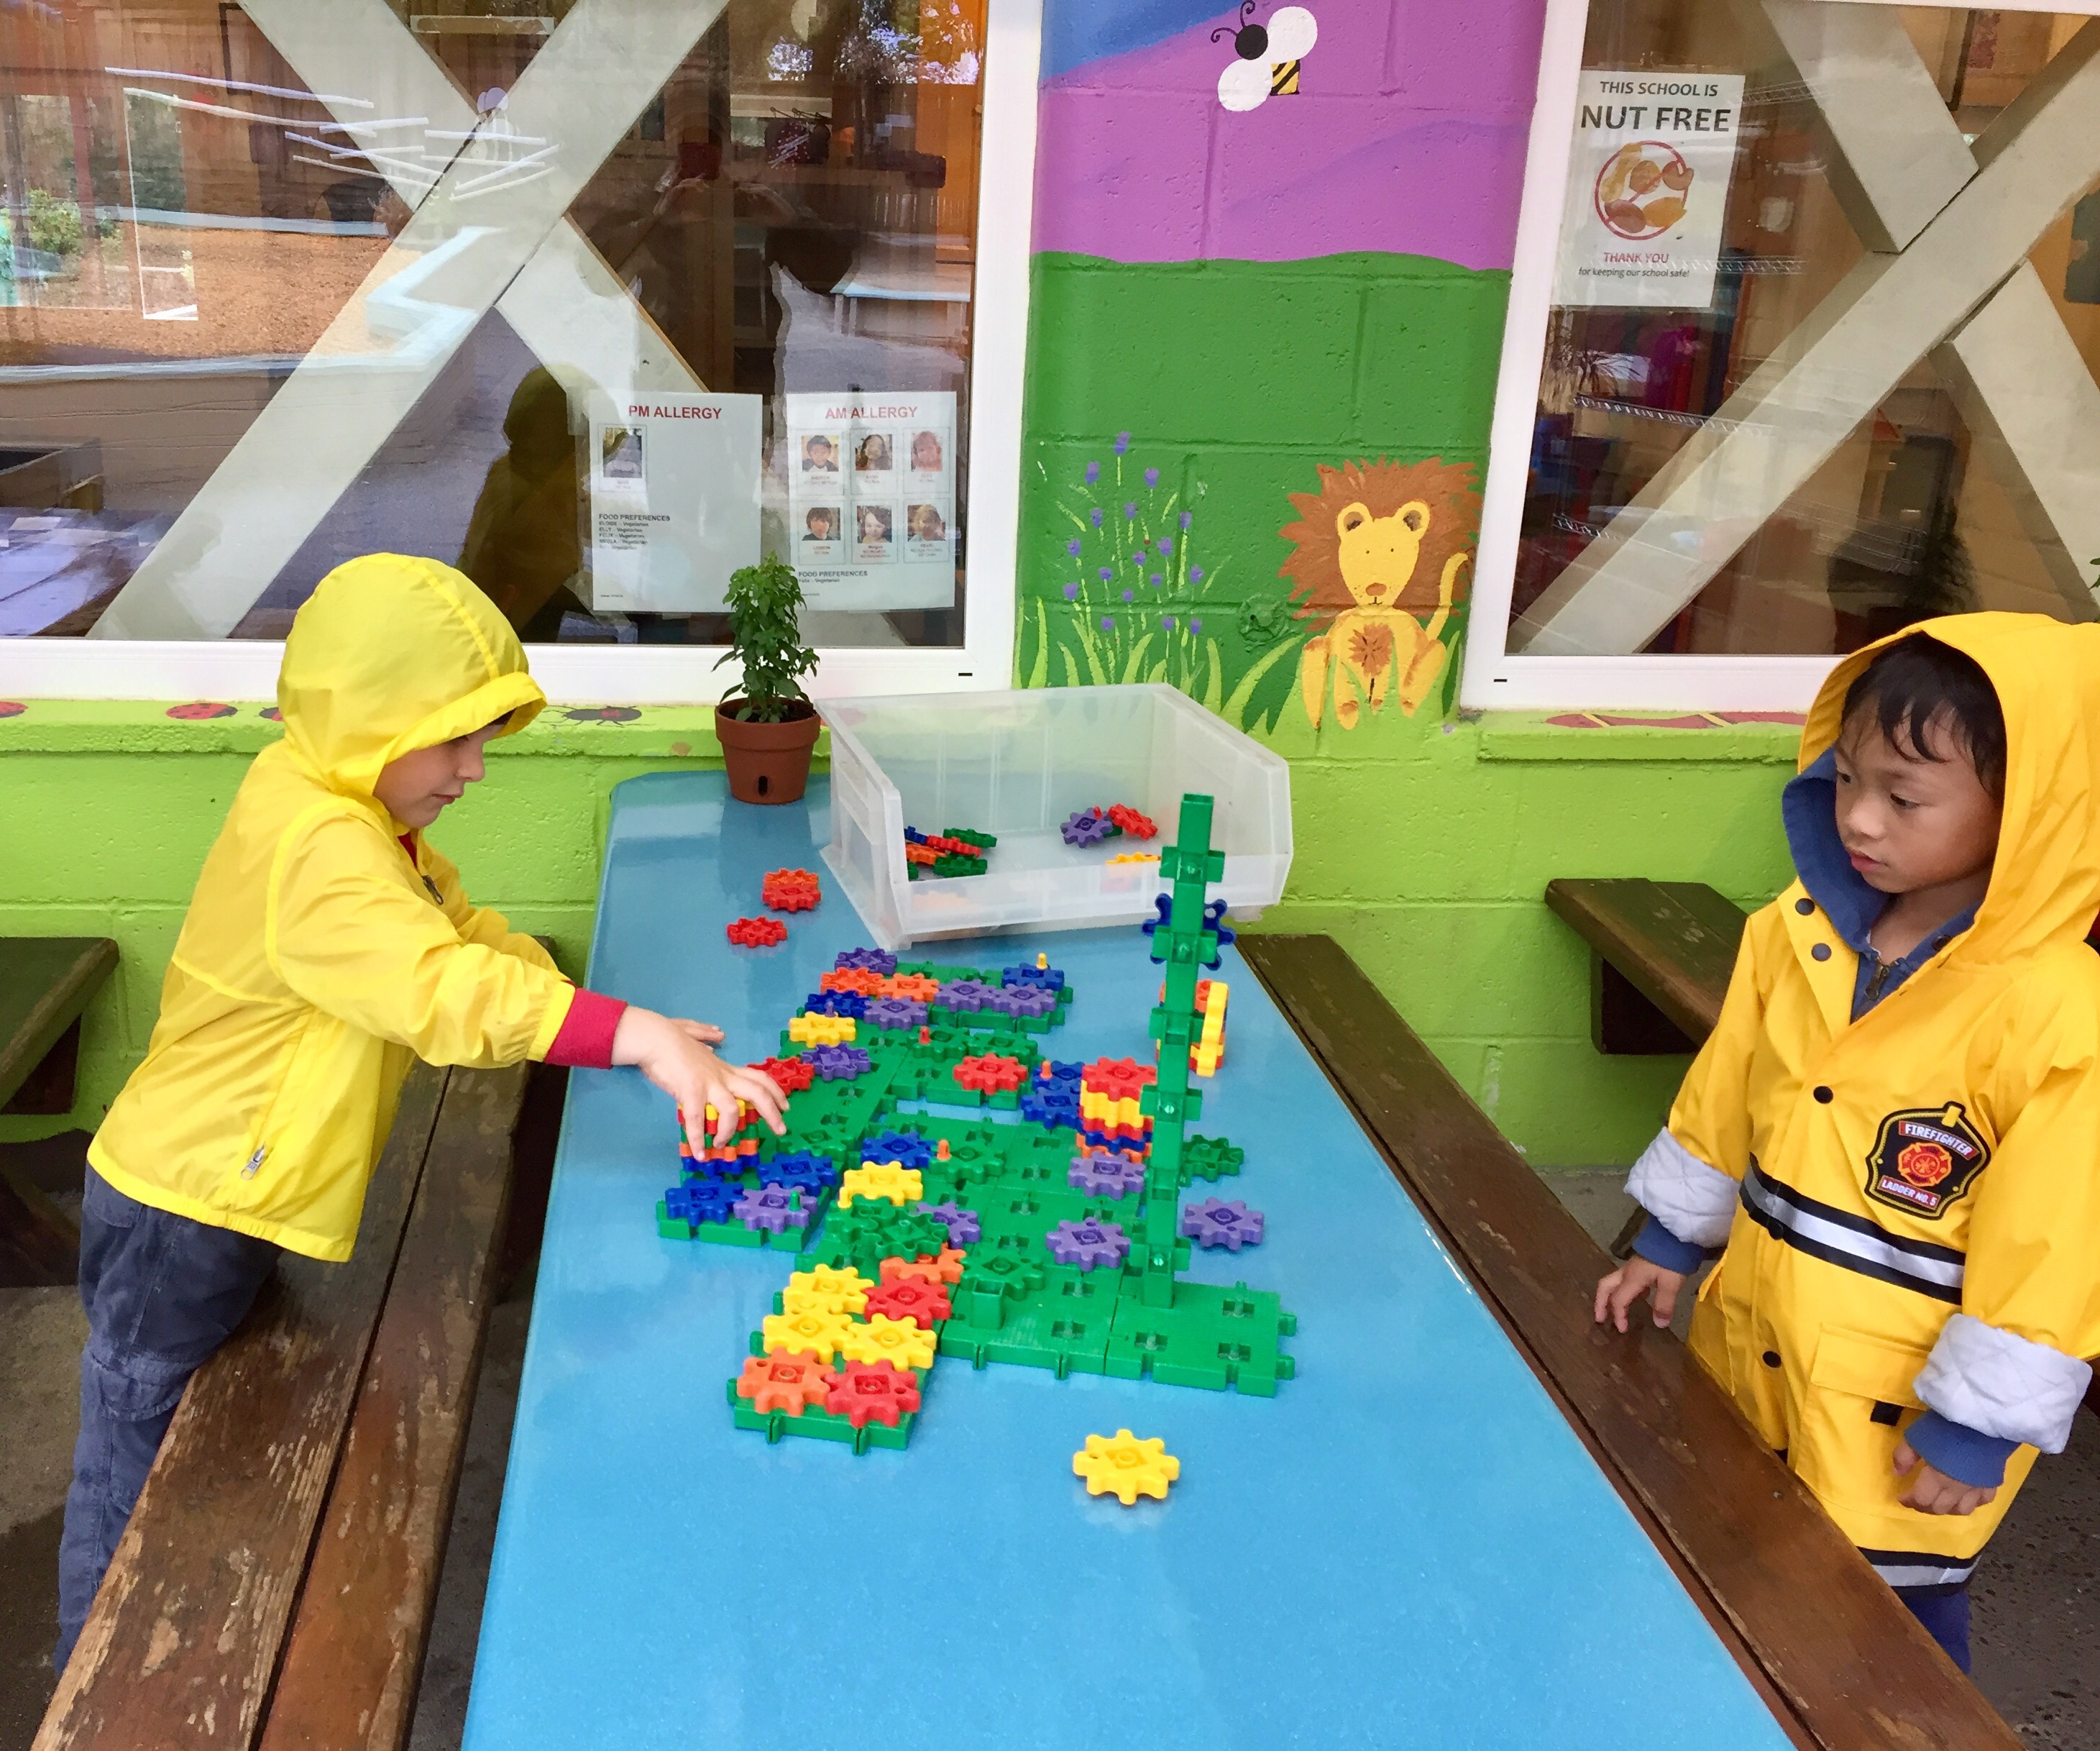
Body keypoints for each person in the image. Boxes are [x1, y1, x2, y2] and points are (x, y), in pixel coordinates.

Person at [54, 554, 789, 1671]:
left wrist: (601, 1012)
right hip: (182, 1205)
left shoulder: (340, 805)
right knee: (133, 1436)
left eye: (482, 738)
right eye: (450, 740)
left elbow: (456, 931)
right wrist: (630, 1037)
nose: (474, 769)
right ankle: (90, 1680)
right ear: (368, 720)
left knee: (181, 1409)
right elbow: (438, 990)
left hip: (229, 1189)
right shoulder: (321, 849)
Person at [1595, 617, 2100, 1674]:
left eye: (1905, 798)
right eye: (1848, 780)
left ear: (2030, 810)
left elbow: (2057, 1237)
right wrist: (1670, 1238)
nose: (1860, 817)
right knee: (1721, 1571)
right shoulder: (1800, 930)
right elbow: (1728, 1090)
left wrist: (1976, 1424)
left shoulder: (2058, 1014)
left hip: (1895, 1425)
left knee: (1880, 1653)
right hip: (1748, 1349)